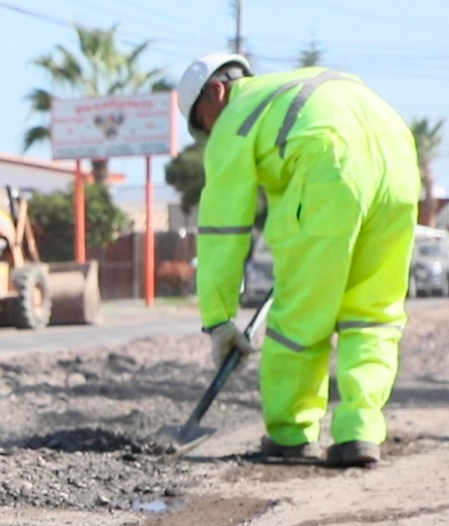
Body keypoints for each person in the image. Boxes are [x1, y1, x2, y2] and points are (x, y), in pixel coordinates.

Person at [177, 54, 420, 468]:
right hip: (399, 159)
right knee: (374, 314)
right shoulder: (287, 93)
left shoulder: (237, 114)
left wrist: (218, 318)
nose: (208, 136)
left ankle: (292, 432)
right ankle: (360, 430)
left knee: (302, 315)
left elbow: (223, 228)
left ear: (216, 92)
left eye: (203, 124)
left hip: (331, 163)